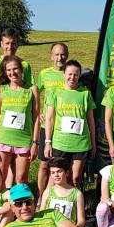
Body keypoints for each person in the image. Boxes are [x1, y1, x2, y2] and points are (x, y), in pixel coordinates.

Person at [0, 56, 41, 188]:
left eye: (15, 68)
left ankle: (18, 207)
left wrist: (35, 142)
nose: (13, 73)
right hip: (3, 139)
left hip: (23, 140)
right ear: (5, 72)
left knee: (21, 179)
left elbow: (36, 118)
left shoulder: (32, 89)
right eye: (9, 70)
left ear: (21, 69)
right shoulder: (1, 89)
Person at [44, 59, 96, 186]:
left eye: (76, 74)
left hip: (80, 143)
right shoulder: (54, 93)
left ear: (79, 76)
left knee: (75, 178)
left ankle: (72, 205)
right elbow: (50, 119)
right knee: (56, 178)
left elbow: (90, 119)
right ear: (64, 74)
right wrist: (47, 142)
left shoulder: (85, 93)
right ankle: (50, 203)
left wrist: (93, 142)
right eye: (69, 74)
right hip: (60, 143)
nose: (72, 77)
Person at [0, 29, 33, 143]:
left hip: (16, 110)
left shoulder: (25, 65)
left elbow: (29, 87)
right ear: (1, 44)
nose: (10, 46)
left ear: (17, 45)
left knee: (15, 145)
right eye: (7, 43)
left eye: (13, 43)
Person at [35, 42, 69, 195]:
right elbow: (34, 94)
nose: (59, 57)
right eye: (56, 54)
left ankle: (60, 196)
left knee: (61, 165)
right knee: (44, 165)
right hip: (46, 127)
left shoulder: (71, 73)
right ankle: (41, 197)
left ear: (67, 55)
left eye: (62, 54)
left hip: (64, 128)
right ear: (51, 56)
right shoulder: (44, 74)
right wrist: (37, 112)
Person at [39, 157, 87, 227]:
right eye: (53, 172)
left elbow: (81, 220)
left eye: (59, 171)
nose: (56, 175)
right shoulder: (47, 192)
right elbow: (41, 215)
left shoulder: (77, 194)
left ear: (67, 173)